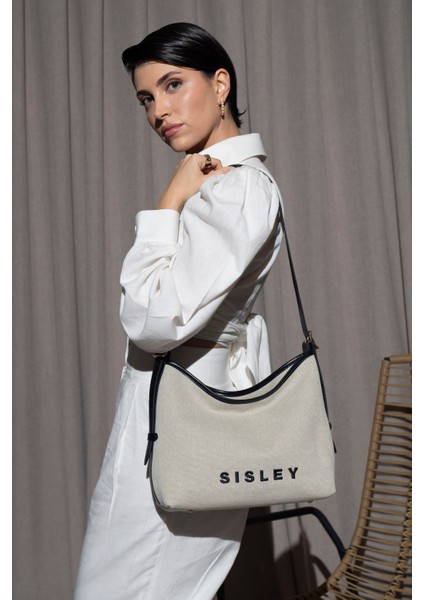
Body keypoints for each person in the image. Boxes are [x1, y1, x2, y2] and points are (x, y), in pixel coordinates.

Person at [74, 22, 283, 600]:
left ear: (220, 84)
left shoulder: (237, 188)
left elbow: (152, 320)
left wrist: (167, 202)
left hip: (186, 417)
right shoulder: (216, 184)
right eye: (146, 98)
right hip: (175, 405)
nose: (158, 111)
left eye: (172, 85)